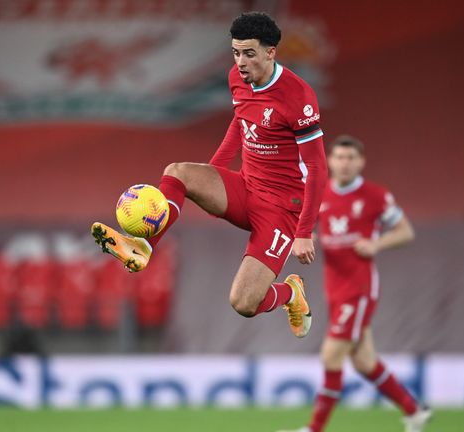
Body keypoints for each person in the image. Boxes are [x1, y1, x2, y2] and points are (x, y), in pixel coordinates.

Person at [91, 12, 327, 338]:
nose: (240, 62)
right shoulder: (237, 78)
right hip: (245, 188)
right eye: (235, 52)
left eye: (249, 53)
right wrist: (215, 170)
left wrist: (304, 231)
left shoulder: (298, 97)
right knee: (178, 173)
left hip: (282, 210)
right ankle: (143, 248)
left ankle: (291, 293)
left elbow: (317, 167)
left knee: (244, 302)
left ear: (271, 52)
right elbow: (240, 121)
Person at [279, 135, 431, 432]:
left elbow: (405, 232)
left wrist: (377, 243)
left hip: (359, 289)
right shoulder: (319, 195)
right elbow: (311, 232)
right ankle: (415, 411)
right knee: (363, 362)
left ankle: (314, 429)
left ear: (361, 162)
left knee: (331, 354)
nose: (344, 163)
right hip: (333, 287)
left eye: (351, 158)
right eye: (339, 157)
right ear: (330, 161)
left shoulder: (375, 196)